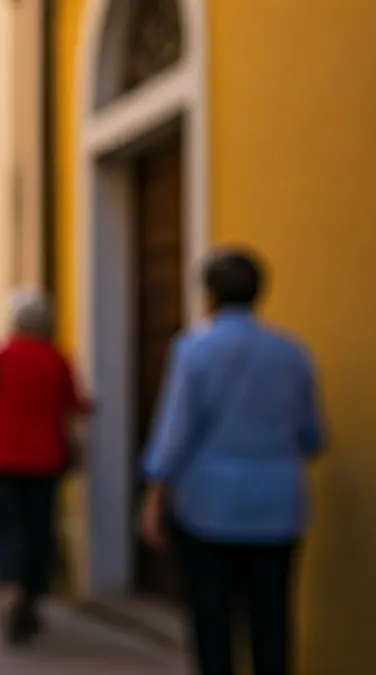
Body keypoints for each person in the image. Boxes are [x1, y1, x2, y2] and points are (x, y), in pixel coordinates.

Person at [139, 248, 323, 675]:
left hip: (209, 507)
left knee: (212, 623)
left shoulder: (194, 351)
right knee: (272, 621)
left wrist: (154, 495)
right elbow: (311, 435)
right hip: (278, 505)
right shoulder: (293, 354)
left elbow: (175, 430)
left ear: (210, 295)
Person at [0, 290, 91, 645]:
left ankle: (13, 587)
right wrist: (75, 451)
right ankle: (31, 590)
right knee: (37, 527)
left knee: (3, 527)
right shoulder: (57, 359)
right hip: (44, 459)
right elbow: (71, 412)